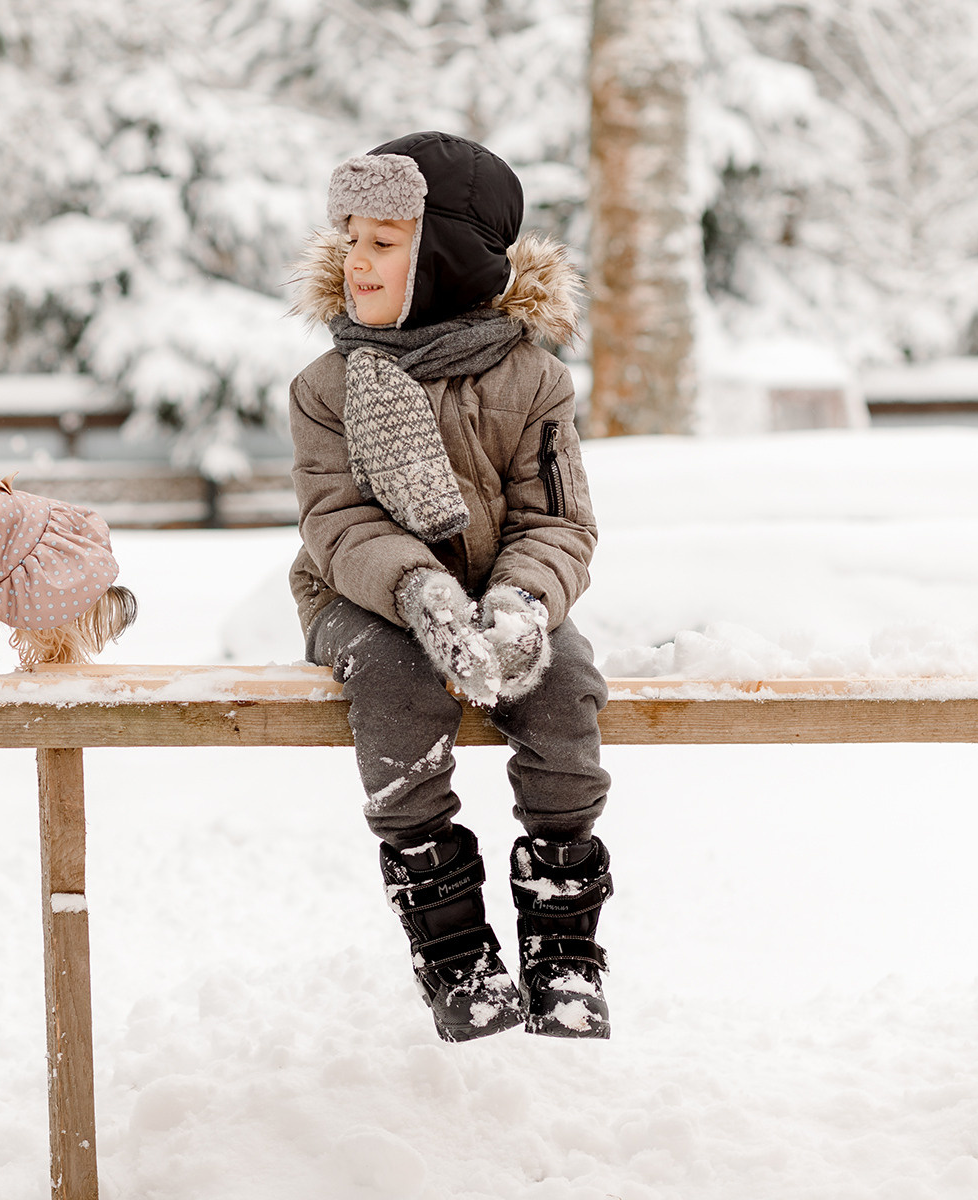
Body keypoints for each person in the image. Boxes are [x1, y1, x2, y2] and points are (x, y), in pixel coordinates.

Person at [287, 131, 613, 1043]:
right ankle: (453, 945)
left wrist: (520, 606)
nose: (356, 261)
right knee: (395, 680)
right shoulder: (329, 387)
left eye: (382, 242)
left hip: (504, 594)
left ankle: (563, 941)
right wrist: (423, 594)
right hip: (364, 600)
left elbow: (557, 522)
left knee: (564, 687)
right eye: (350, 238)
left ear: (444, 258)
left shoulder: (534, 381)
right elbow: (337, 524)